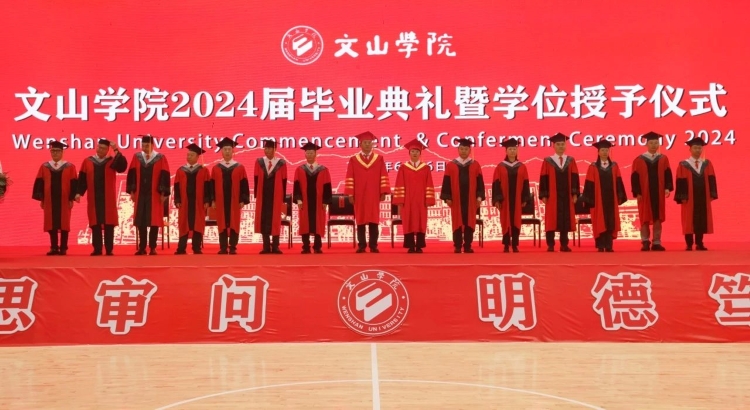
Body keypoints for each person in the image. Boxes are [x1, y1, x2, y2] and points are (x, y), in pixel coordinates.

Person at [76, 139, 127, 256]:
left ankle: (109, 249)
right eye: (99, 147)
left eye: (103, 148)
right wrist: (78, 193)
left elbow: (122, 167)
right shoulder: (88, 161)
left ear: (108, 150)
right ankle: (97, 249)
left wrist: (116, 149)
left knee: (109, 223)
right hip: (93, 197)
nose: (100, 150)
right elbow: (82, 179)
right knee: (95, 223)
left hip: (108, 198)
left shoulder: (112, 161)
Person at [345, 131, 390, 253]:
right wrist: (350, 194)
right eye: (365, 142)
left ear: (372, 144)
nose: (367, 145)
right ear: (360, 144)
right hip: (359, 194)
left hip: (374, 194)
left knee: (373, 219)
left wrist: (383, 192)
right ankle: (362, 245)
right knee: (360, 219)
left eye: (369, 142)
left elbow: (383, 175)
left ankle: (373, 245)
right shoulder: (354, 160)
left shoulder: (379, 159)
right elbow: (350, 177)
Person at [580, 141, 628, 252]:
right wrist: (589, 200)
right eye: (602, 150)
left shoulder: (614, 166)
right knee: (599, 221)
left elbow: (618, 182)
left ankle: (609, 245)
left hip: (611, 200)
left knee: (610, 221)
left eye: (607, 150)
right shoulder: (593, 167)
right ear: (598, 152)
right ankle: (600, 245)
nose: (605, 152)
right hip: (598, 200)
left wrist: (619, 196)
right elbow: (589, 184)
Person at [126, 135, 170, 255]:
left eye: (147, 145)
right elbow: (132, 174)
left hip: (154, 194)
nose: (144, 148)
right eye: (143, 145)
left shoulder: (160, 158)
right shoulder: (137, 157)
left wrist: (163, 193)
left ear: (152, 145)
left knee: (154, 221)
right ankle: (142, 248)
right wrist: (132, 191)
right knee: (141, 221)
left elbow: (165, 175)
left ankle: (152, 247)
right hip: (140, 194)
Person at [32, 141, 78, 255]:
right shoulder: (44, 166)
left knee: (64, 224)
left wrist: (71, 198)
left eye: (57, 151)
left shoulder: (70, 167)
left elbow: (74, 184)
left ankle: (63, 247)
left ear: (62, 152)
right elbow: (40, 183)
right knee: (51, 223)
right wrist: (42, 199)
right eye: (53, 151)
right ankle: (53, 247)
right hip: (49, 200)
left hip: (64, 199)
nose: (55, 153)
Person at [440, 138, 485, 253]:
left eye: (466, 149)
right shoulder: (451, 165)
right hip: (456, 199)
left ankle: (468, 245)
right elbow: (446, 183)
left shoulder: (475, 165)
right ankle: (457, 245)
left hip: (471, 199)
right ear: (458, 150)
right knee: (457, 221)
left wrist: (479, 197)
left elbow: (480, 182)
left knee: (470, 221)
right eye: (461, 149)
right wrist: (447, 197)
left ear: (469, 150)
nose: (463, 151)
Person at [631, 131, 673, 251]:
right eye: (651, 143)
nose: (654, 145)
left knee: (657, 217)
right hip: (644, 194)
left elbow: (667, 174)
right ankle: (645, 241)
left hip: (658, 193)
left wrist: (667, 188)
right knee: (644, 217)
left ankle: (656, 242)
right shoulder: (639, 159)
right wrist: (637, 192)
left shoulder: (663, 158)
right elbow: (634, 177)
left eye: (656, 143)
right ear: (646, 144)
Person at [674, 138, 718, 251]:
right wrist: (682, 196)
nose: (698, 150)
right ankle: (689, 244)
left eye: (699, 148)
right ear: (690, 149)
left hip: (703, 196)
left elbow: (711, 179)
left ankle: (699, 243)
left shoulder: (707, 164)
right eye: (695, 148)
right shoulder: (684, 164)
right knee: (688, 219)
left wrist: (712, 194)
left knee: (701, 218)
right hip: (689, 197)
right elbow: (680, 181)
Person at [539, 132, 579, 252]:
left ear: (565, 146)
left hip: (567, 194)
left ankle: (564, 244)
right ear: (553, 146)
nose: (561, 146)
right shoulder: (548, 161)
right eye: (558, 144)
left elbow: (575, 177)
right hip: (553, 195)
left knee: (565, 218)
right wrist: (544, 194)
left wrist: (575, 193)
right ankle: (550, 244)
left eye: (563, 144)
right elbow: (544, 178)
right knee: (551, 219)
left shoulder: (570, 160)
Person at [393, 139, 435, 253]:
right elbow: (399, 184)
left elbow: (429, 184)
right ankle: (410, 246)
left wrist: (428, 199)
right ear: (409, 153)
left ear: (420, 153)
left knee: (421, 222)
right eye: (412, 151)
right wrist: (400, 200)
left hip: (421, 200)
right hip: (408, 200)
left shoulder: (425, 168)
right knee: (408, 221)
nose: (415, 153)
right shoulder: (403, 168)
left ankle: (419, 246)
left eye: (417, 151)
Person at [211, 138, 250, 255]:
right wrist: (213, 200)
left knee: (234, 222)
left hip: (235, 200)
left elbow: (244, 185)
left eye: (229, 149)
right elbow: (211, 186)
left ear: (233, 151)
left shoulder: (240, 167)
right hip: (220, 201)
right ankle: (223, 247)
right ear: (221, 152)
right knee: (221, 223)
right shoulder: (216, 168)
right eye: (225, 149)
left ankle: (233, 246)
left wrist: (243, 199)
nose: (227, 151)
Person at [492, 138, 531, 253]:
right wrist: (497, 199)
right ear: (506, 151)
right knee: (505, 221)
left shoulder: (522, 166)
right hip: (505, 199)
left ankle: (514, 244)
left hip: (517, 199)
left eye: (514, 149)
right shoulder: (500, 166)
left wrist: (524, 198)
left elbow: (526, 183)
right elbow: (496, 184)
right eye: (510, 149)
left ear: (517, 150)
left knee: (516, 221)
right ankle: (506, 244)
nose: (512, 151)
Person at [293, 142, 332, 254]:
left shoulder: (323, 170)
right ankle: (306, 246)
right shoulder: (300, 169)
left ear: (316, 154)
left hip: (319, 202)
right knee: (304, 223)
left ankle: (317, 246)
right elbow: (297, 186)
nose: (309, 155)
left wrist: (325, 201)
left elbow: (327, 186)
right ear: (305, 155)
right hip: (304, 201)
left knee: (318, 223)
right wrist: (298, 199)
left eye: (311, 153)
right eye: (308, 153)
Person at [174, 144, 212, 255]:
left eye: (191, 155)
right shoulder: (180, 170)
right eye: (188, 155)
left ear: (197, 157)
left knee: (198, 224)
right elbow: (176, 187)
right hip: (184, 202)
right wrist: (177, 200)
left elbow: (207, 187)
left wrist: (207, 200)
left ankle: (196, 248)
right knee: (183, 224)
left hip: (198, 202)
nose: (189, 157)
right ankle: (181, 248)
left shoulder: (204, 170)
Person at [254, 140, 287, 254]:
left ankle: (276, 246)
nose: (267, 150)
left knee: (275, 220)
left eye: (269, 148)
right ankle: (266, 246)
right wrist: (257, 195)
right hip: (263, 196)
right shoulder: (259, 162)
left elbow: (284, 181)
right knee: (264, 219)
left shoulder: (281, 163)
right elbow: (256, 178)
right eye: (265, 148)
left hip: (276, 196)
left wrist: (283, 197)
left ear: (275, 150)